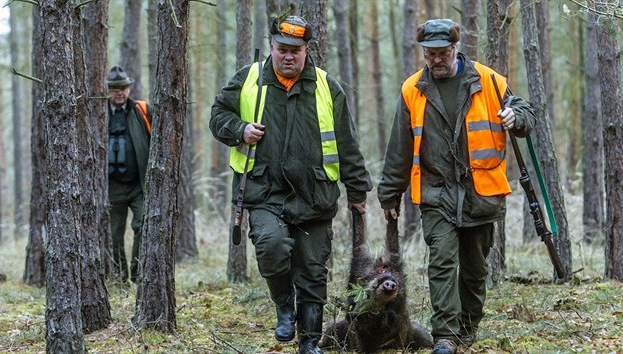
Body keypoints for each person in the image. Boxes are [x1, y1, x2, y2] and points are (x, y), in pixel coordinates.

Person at [210, 15, 372, 354]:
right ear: (271, 47)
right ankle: (284, 307)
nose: (288, 56)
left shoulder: (328, 87)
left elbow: (347, 144)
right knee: (271, 245)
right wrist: (239, 129)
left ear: (306, 50)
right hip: (264, 192)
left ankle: (309, 342)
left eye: (295, 51)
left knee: (313, 270)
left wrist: (358, 192)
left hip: (315, 195)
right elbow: (218, 116)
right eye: (282, 49)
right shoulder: (249, 78)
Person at [378, 19, 536, 354]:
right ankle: (445, 336)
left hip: (480, 192)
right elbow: (399, 148)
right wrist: (390, 193)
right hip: (436, 192)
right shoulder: (412, 89)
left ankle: (467, 327)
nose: (436, 60)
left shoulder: (489, 80)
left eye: (442, 53)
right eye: (429, 54)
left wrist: (516, 117)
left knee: (475, 268)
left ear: (455, 49)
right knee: (442, 262)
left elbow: (524, 112)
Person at [106, 65, 152, 284]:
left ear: (129, 89)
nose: (119, 92)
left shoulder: (142, 111)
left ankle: (138, 272)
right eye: (114, 88)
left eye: (123, 87)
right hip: (111, 186)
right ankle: (119, 278)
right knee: (114, 234)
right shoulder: (98, 113)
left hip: (138, 185)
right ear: (107, 89)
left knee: (144, 224)